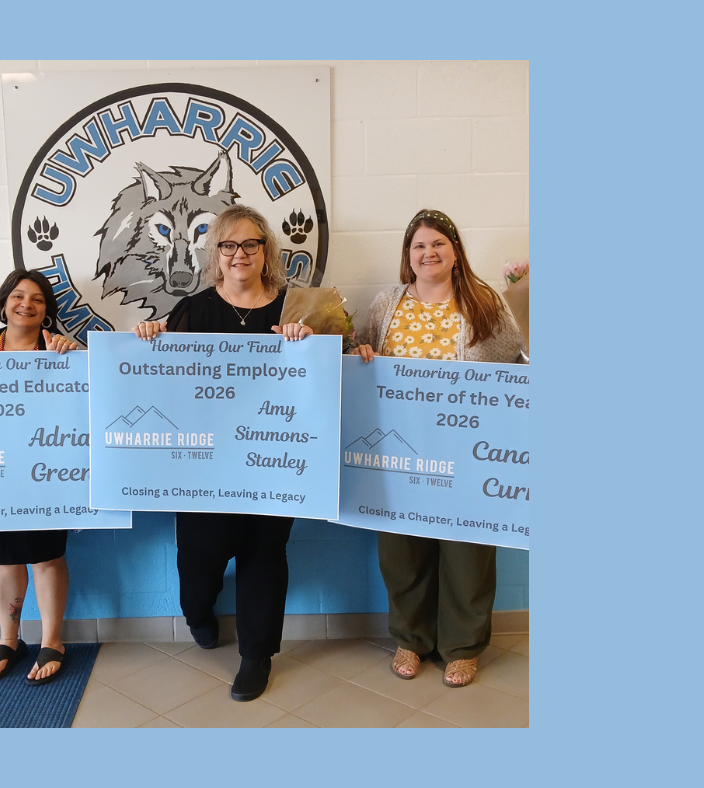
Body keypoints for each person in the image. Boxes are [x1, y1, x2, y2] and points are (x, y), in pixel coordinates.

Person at [134, 204, 312, 701]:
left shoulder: (294, 311)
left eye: (250, 244)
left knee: (264, 555)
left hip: (273, 459)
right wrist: (150, 339)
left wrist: (309, 343)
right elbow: (164, 384)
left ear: (266, 250)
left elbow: (324, 376)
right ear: (215, 253)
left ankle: (256, 656)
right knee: (199, 555)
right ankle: (198, 612)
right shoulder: (193, 310)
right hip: (202, 465)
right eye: (229, 245)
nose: (240, 254)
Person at [351, 208, 525, 688]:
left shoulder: (484, 301)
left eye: (438, 244)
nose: (429, 253)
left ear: (454, 251)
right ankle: (411, 639)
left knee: (467, 550)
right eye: (419, 246)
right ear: (408, 256)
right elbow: (362, 354)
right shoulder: (387, 303)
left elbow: (516, 361)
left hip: (467, 448)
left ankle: (463, 647)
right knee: (402, 551)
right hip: (399, 451)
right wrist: (360, 352)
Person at [0, 269, 79, 685]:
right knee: (5, 557)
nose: (26, 303)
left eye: (38, 299)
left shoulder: (62, 349)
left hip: (46, 471)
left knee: (46, 554)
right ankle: (10, 640)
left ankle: (52, 641)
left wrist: (73, 356)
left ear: (47, 311)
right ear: (4, 301)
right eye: (18, 295)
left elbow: (89, 399)